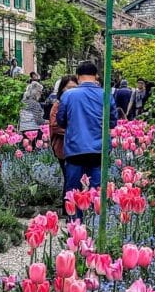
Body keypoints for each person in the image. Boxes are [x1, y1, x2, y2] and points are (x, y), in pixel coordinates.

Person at [56, 61, 117, 216]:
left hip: (75, 149)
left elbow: (61, 121)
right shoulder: (106, 95)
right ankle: (95, 227)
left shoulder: (68, 95)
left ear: (78, 77)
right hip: (98, 149)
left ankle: (76, 230)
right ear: (96, 76)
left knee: (74, 192)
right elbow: (112, 122)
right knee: (96, 192)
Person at [48, 75, 78, 212]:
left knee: (75, 178)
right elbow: (55, 125)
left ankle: (73, 207)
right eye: (69, 88)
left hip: (77, 147)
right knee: (69, 177)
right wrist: (75, 132)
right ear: (62, 89)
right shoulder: (58, 104)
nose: (72, 91)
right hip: (63, 148)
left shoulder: (77, 104)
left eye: (75, 88)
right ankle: (68, 209)